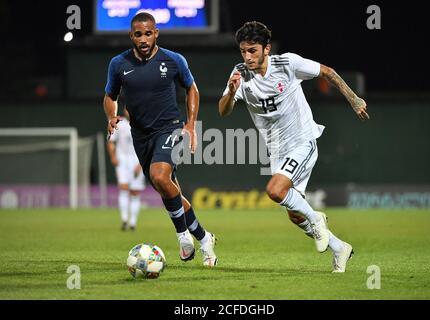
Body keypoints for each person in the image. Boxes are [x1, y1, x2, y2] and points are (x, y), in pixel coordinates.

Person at [219, 21, 370, 273]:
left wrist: (354, 100)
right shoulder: (240, 73)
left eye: (253, 50)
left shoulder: (287, 63)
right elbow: (224, 111)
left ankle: (316, 218)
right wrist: (230, 92)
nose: (247, 56)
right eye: (243, 51)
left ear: (266, 49)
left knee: (275, 191)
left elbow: (327, 72)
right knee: (294, 214)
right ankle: (339, 247)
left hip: (302, 140)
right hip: (277, 150)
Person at [103, 12, 217, 267]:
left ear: (156, 33)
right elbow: (110, 95)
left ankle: (183, 237)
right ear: (131, 36)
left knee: (159, 176)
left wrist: (190, 124)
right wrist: (111, 115)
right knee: (168, 189)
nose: (143, 38)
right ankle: (205, 238)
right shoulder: (118, 64)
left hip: (170, 129)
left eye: (148, 33)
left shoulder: (173, 60)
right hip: (141, 136)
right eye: (138, 34)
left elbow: (192, 89)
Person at [107, 108, 145, 231]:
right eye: (127, 108)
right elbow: (111, 141)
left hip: (137, 160)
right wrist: (113, 156)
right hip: (122, 160)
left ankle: (132, 222)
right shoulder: (119, 124)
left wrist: (141, 164)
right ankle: (124, 220)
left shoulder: (143, 124)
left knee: (135, 191)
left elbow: (147, 145)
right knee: (123, 188)